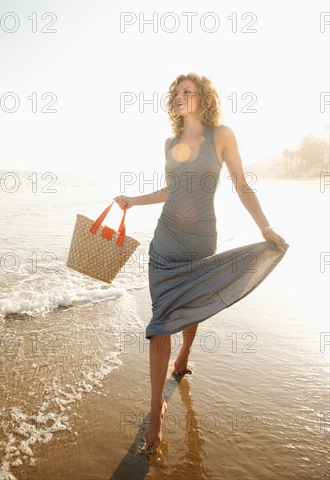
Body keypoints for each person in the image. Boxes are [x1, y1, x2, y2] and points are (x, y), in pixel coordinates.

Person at [113, 72, 289, 456]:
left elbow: (241, 184)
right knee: (161, 321)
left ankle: (185, 355)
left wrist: (266, 226)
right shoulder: (170, 143)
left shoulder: (221, 135)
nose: (178, 98)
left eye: (186, 92)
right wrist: (133, 200)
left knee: (192, 309)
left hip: (199, 242)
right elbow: (170, 190)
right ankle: (156, 409)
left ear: (203, 97)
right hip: (164, 243)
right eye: (175, 93)